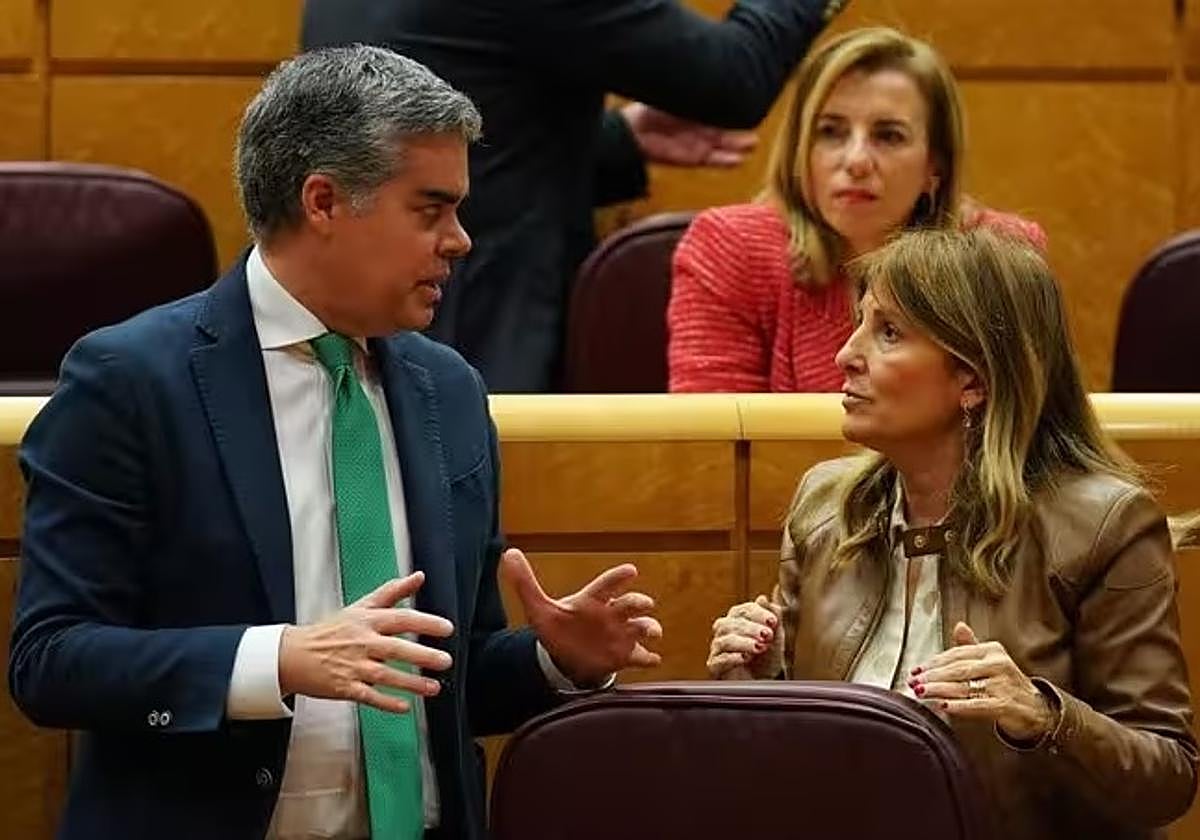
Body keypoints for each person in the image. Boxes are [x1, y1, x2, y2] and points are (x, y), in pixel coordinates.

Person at [8, 46, 662, 840]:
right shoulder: (131, 381)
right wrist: (279, 659)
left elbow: (443, 680)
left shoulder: (448, 391)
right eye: (430, 209)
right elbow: (53, 662)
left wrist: (557, 660)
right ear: (323, 201)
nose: (459, 240)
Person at [706, 227, 1198, 839]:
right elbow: (804, 768)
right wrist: (758, 686)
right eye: (860, 323)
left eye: (888, 332)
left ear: (974, 380)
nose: (845, 355)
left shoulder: (1102, 525)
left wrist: (1044, 716)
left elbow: (1168, 777)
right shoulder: (826, 508)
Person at [302, 0, 853, 393]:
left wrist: (621, 142)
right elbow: (735, 74)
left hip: (348, 307)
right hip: (472, 320)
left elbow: (430, 135)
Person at [667, 26, 1047, 393]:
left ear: (936, 164)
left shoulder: (998, 255)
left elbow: (1023, 432)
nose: (856, 161)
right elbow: (714, 449)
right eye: (831, 131)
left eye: (888, 136)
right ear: (801, 150)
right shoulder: (732, 250)